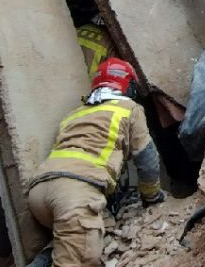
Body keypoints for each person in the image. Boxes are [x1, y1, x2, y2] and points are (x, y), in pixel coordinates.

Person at [27, 59, 164, 266]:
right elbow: (147, 159)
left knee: (91, 233)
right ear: (128, 86)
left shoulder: (75, 114)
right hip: (75, 193)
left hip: (39, 193)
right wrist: (151, 196)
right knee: (82, 259)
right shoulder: (128, 108)